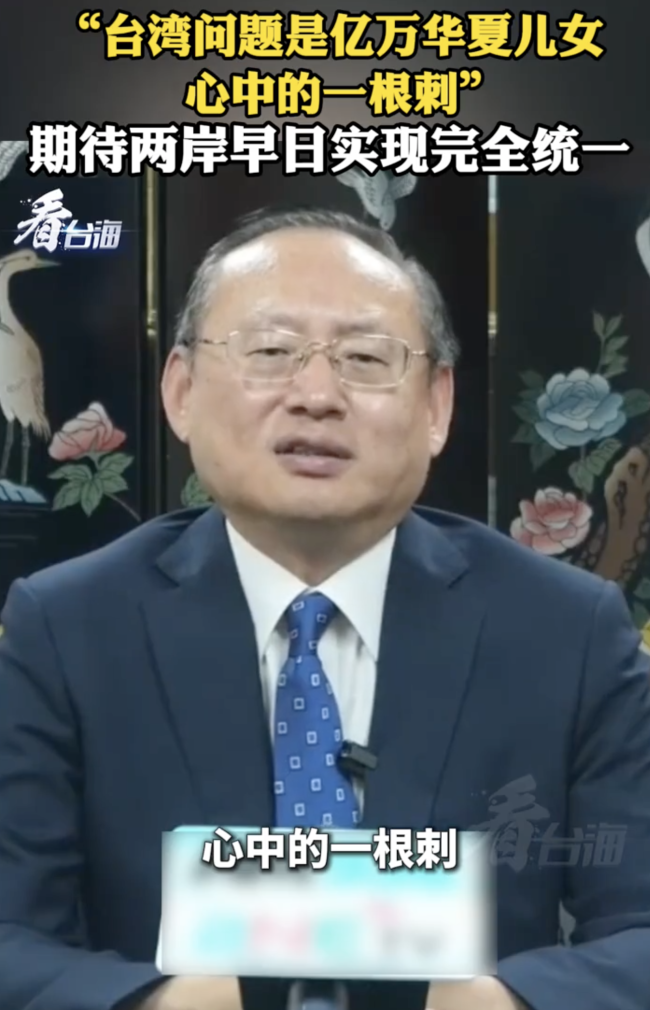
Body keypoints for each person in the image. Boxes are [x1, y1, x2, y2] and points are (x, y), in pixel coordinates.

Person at [0, 207, 649, 1010]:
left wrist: (499, 1002)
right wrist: (161, 1003)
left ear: (437, 406)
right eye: (270, 352)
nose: (316, 395)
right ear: (181, 391)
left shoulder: (567, 633)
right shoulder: (68, 629)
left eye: (366, 358)